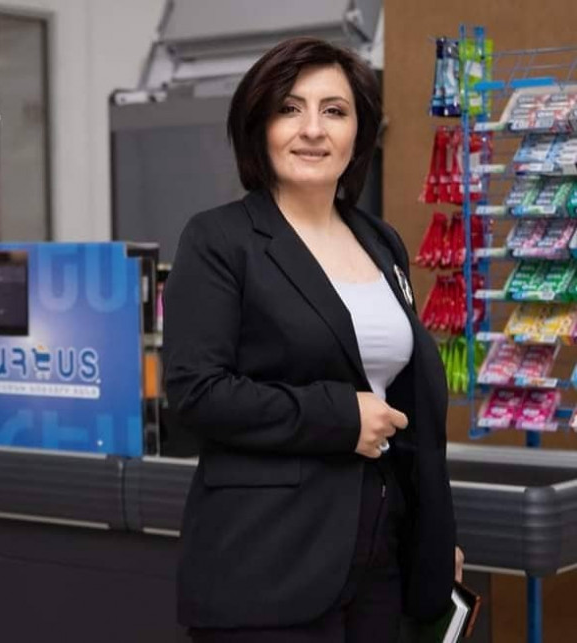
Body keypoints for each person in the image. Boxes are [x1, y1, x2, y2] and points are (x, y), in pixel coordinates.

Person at [163, 37, 463, 642]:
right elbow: (196, 393)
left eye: (335, 110)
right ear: (259, 126)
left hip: (380, 554)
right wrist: (341, 417)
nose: (312, 130)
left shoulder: (381, 241)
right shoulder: (220, 239)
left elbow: (406, 402)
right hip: (268, 559)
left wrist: (431, 536)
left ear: (359, 133)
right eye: (289, 108)